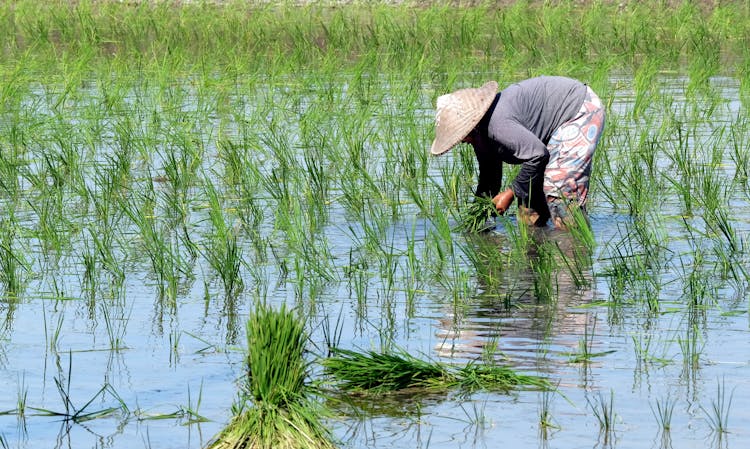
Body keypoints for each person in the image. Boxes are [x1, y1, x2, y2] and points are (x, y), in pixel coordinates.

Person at [430, 76, 605, 229]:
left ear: (472, 126)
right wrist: (478, 216)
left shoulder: (497, 125)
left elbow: (538, 155)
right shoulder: (480, 135)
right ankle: (534, 253)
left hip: (578, 109)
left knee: (558, 188)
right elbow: (489, 178)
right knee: (527, 201)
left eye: (461, 135)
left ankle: (573, 251)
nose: (461, 141)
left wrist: (510, 193)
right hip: (554, 128)